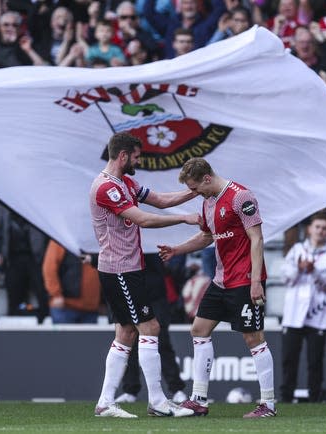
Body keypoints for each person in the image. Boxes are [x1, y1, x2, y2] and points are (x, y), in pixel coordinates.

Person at [158, 157, 277, 418]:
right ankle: (198, 399)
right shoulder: (208, 202)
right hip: (221, 280)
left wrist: (256, 281)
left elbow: (256, 239)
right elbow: (206, 237)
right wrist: (177, 250)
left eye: (195, 187)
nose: (193, 192)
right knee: (198, 330)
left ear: (207, 178)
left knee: (253, 338)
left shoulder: (240, 197)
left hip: (245, 280)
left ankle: (268, 404)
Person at [90, 132, 198, 418]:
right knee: (150, 327)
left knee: (126, 332)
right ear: (123, 156)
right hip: (120, 269)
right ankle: (158, 402)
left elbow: (159, 200)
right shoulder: (106, 188)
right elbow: (144, 219)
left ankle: (105, 403)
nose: (139, 160)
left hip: (126, 268)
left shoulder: (125, 183)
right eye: (136, 156)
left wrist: (195, 190)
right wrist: (185, 218)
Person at [279, 212, 326, 403]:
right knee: (290, 358)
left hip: (318, 314)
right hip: (294, 313)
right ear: (309, 229)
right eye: (317, 227)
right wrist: (299, 267)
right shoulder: (297, 249)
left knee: (315, 360)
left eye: (324, 228)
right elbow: (285, 277)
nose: (320, 231)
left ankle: (315, 396)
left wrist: (314, 271)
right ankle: (286, 396)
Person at [115, 253, 188, 405]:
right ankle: (130, 390)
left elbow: (171, 263)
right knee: (129, 341)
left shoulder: (153, 233)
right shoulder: (125, 235)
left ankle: (176, 389)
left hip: (155, 293)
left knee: (162, 342)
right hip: (130, 292)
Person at [42, 239, 101, 324]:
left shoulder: (96, 238)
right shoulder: (61, 238)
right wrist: (56, 294)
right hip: (66, 307)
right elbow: (49, 268)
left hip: (91, 308)